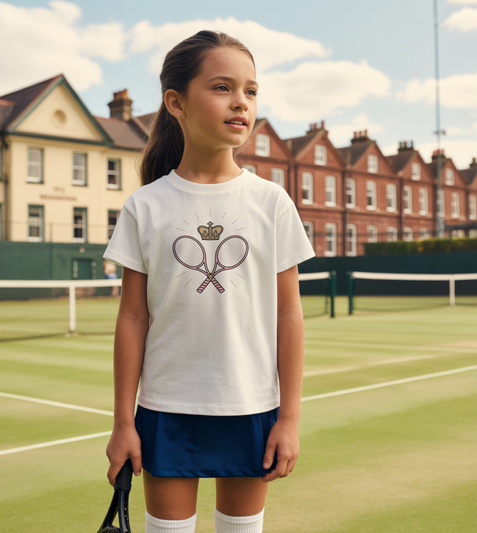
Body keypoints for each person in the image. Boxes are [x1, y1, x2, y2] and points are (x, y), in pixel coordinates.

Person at [103, 30, 315, 533]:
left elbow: (290, 314)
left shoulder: (272, 202)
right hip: (165, 409)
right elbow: (133, 317)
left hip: (253, 409)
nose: (241, 101)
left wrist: (289, 418)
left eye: (251, 91)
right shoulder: (145, 206)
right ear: (175, 102)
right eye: (222, 87)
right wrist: (122, 422)